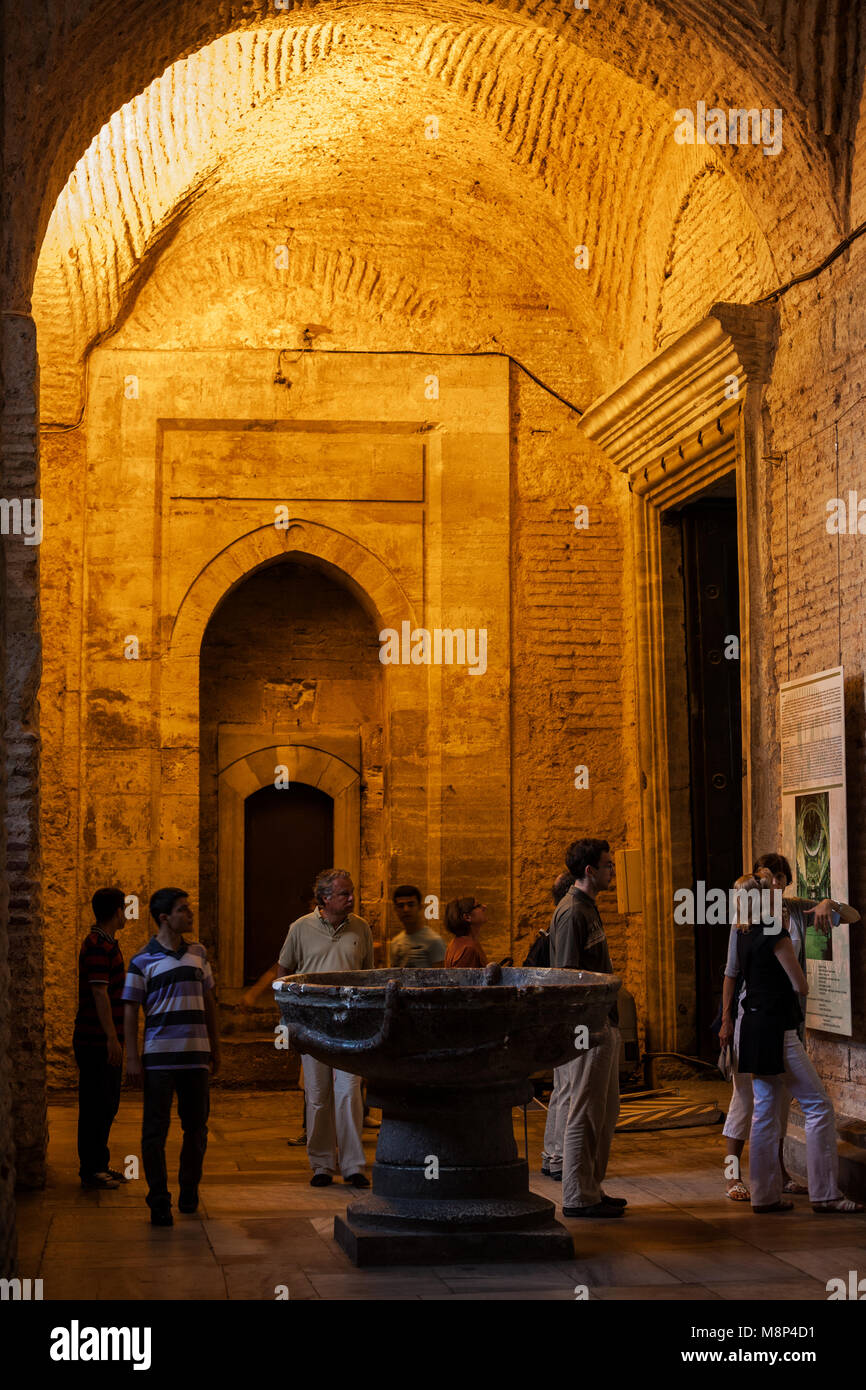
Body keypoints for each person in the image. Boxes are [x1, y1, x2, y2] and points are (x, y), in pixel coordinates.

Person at [719, 853, 860, 1201]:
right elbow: (732, 972)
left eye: (781, 876)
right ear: (759, 882)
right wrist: (725, 1018)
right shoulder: (746, 924)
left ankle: (772, 1183)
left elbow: (852, 916)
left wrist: (829, 902)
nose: (777, 883)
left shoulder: (793, 911)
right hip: (753, 1017)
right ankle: (732, 1175)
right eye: (769, 877)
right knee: (745, 1101)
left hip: (781, 1018)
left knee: (773, 1105)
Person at [123, 888, 220, 1226]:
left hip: (195, 1056)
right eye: (183, 910)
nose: (190, 914)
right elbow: (131, 1010)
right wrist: (132, 1058)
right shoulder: (141, 961)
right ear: (164, 917)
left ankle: (189, 1190)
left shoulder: (198, 954)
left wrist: (215, 1047)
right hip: (159, 1059)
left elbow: (209, 1002)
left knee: (196, 1128)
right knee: (155, 1131)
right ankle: (159, 1200)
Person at [278, 869, 373, 1188]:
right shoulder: (300, 929)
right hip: (312, 1026)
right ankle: (321, 1163)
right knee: (318, 1096)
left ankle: (353, 1164)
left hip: (350, 1026)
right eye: (344, 893)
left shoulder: (361, 927)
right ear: (324, 899)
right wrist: (286, 1022)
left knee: (349, 1093)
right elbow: (284, 975)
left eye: (352, 892)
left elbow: (368, 976)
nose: (351, 898)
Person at [550, 839, 624, 1218]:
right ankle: (578, 1196)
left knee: (605, 1111)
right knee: (583, 1111)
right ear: (590, 871)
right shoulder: (571, 912)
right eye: (608, 865)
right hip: (586, 1028)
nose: (614, 870)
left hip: (603, 1023)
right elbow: (566, 977)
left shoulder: (589, 907)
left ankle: (592, 1187)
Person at [73, 887, 129, 1190]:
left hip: (104, 1039)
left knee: (106, 1103)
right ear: (117, 912)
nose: (126, 914)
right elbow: (99, 992)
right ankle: (90, 1169)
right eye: (124, 908)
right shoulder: (97, 945)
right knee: (96, 1104)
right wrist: (111, 1039)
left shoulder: (107, 943)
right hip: (95, 1040)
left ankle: (99, 1162)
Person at [541, 871, 575, 1181]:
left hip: (555, 1017)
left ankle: (550, 1152)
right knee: (568, 1089)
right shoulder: (568, 916)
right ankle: (559, 1157)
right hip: (566, 1017)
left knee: (561, 1087)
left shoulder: (556, 917)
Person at [390, 885, 446, 967]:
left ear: (420, 907)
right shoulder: (395, 943)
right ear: (395, 909)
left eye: (410, 905)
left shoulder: (434, 941)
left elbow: (440, 977)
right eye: (401, 906)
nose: (406, 910)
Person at [444, 897, 488, 967]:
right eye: (478, 906)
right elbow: (465, 978)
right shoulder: (468, 949)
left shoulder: (458, 943)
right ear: (467, 917)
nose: (484, 907)